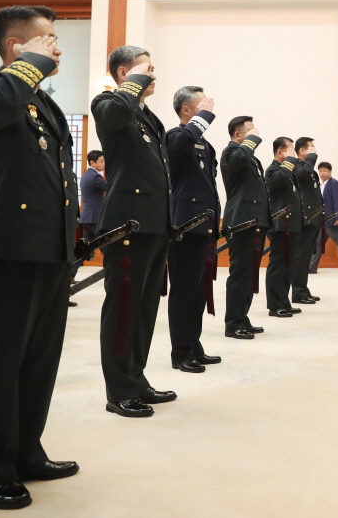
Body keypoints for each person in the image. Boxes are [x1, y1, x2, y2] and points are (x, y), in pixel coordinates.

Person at [0, 5, 80, 509]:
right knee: (1, 362)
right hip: (11, 245)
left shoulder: (45, 104)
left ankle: (27, 452)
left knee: (39, 361)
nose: (58, 46)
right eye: (48, 38)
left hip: (49, 246)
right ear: (17, 45)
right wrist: (26, 66)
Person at [92, 46, 176, 418]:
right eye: (148, 69)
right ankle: (119, 390)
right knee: (124, 308)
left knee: (144, 308)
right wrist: (133, 83)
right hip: (128, 224)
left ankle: (137, 379)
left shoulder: (146, 117)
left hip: (155, 223)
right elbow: (112, 115)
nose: (154, 75)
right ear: (125, 73)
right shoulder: (109, 104)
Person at [166, 86, 221, 372]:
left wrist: (215, 224)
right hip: (184, 226)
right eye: (201, 104)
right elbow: (181, 144)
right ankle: (181, 352)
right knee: (184, 291)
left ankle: (194, 344)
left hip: (204, 226)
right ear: (187, 110)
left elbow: (210, 187)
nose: (208, 106)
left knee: (198, 291)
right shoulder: (176, 136)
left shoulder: (206, 146)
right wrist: (205, 116)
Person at [221, 116, 269, 340]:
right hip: (241, 222)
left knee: (249, 274)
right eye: (250, 131)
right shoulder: (231, 153)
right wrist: (252, 141)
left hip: (255, 222)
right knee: (240, 274)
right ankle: (233, 323)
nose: (255, 133)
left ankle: (243, 317)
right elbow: (239, 159)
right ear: (238, 135)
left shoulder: (252, 159)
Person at [263, 137, 306, 317]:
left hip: (292, 225)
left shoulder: (289, 172)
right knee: (278, 265)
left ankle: (284, 301)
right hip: (280, 225)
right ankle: (275, 305)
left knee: (289, 266)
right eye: (290, 151)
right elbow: (278, 180)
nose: (294, 155)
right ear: (280, 152)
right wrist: (288, 162)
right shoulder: (273, 170)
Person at [69, 149, 107, 292]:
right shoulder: (95, 177)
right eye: (101, 161)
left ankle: (70, 273)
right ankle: (114, 270)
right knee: (106, 244)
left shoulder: (86, 175)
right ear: (93, 162)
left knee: (85, 249)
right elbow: (110, 187)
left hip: (88, 216)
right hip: (95, 217)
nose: (103, 164)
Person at [291, 137, 323, 303]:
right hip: (304, 219)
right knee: (300, 257)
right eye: (311, 147)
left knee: (306, 258)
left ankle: (303, 290)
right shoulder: (297, 165)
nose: (315, 150)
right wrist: (311, 158)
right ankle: (298, 292)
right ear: (302, 151)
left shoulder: (310, 169)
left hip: (313, 219)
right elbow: (302, 173)